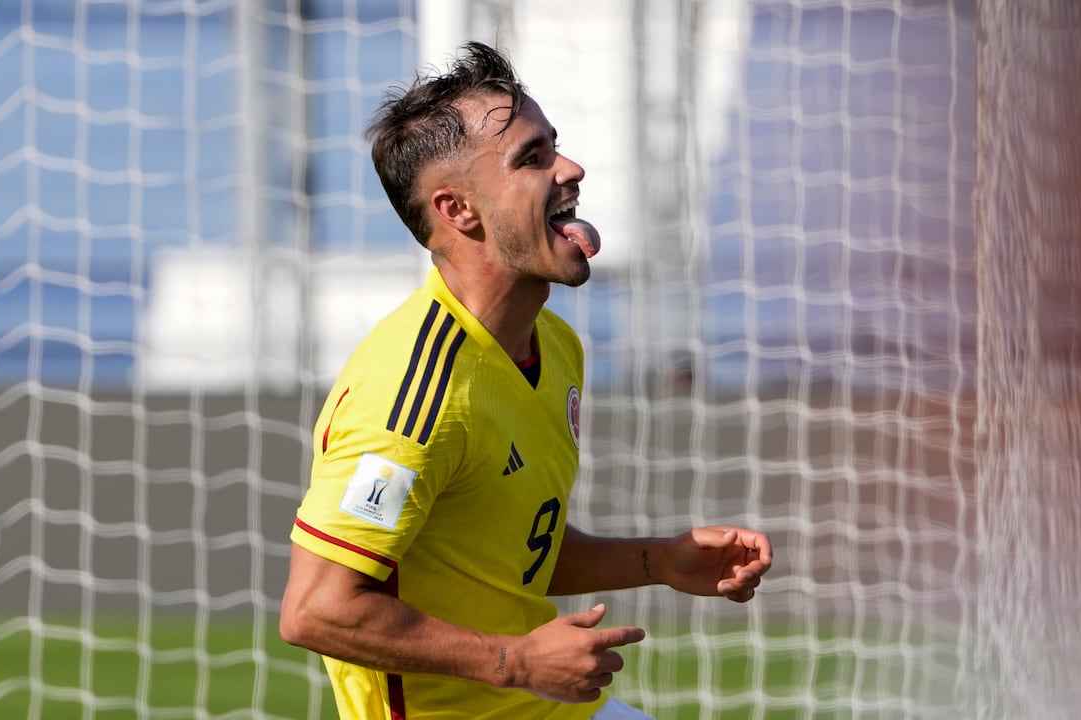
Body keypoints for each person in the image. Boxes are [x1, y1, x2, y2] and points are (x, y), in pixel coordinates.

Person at [279, 41, 773, 719]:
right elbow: (315, 611)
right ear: (458, 210)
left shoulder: (554, 344)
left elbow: (506, 555)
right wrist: (516, 663)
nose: (571, 170)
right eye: (532, 158)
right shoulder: (410, 395)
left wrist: (661, 560)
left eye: (556, 147)